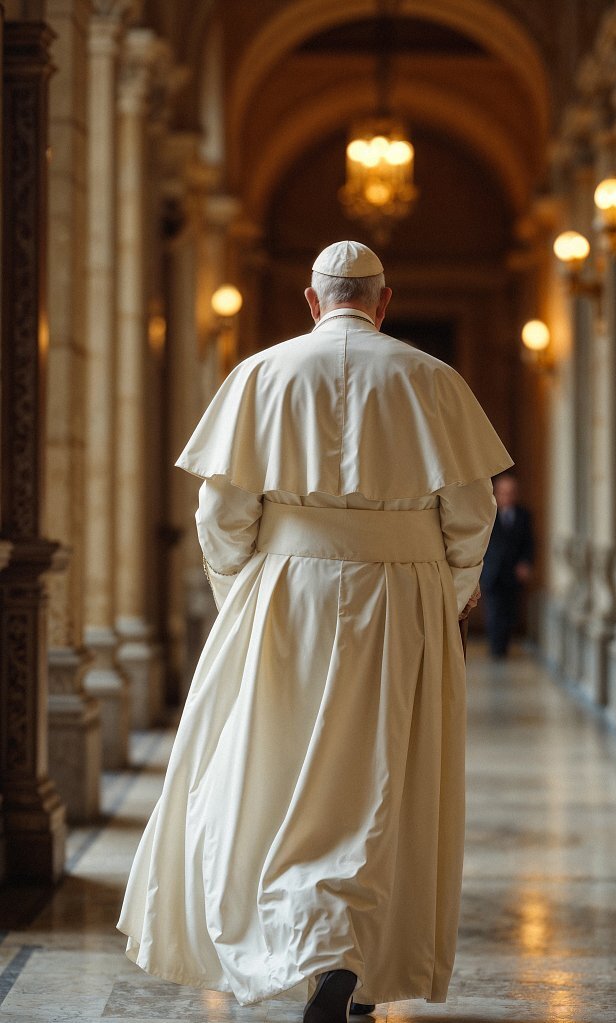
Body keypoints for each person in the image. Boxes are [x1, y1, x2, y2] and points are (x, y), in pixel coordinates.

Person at [116, 240, 514, 1021]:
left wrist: (244, 593)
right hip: (401, 598)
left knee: (272, 769)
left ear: (312, 299)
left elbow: (221, 515)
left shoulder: (260, 374)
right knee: (381, 776)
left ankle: (299, 946)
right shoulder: (433, 379)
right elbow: (471, 516)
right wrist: (447, 596)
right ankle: (352, 957)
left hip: (284, 595)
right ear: (384, 302)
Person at [480, 472, 534, 659]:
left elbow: (529, 542)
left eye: (510, 492)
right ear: (496, 493)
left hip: (513, 572)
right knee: (494, 609)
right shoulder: (488, 514)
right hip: (492, 571)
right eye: (503, 492)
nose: (507, 496)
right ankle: (496, 648)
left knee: (509, 610)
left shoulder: (523, 515)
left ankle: (504, 644)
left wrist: (525, 563)